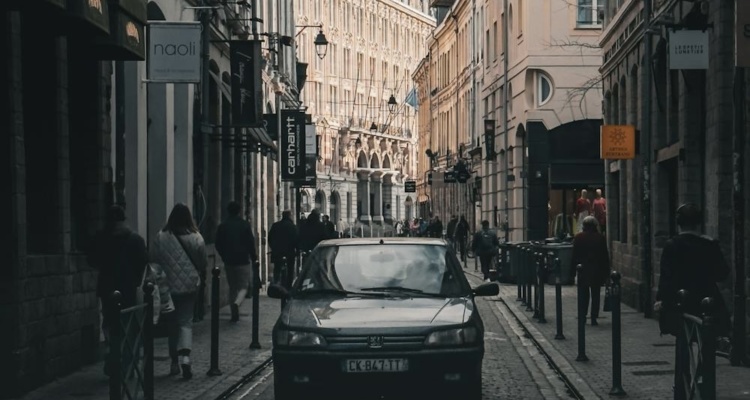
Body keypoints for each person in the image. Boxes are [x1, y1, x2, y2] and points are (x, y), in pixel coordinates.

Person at [653, 203, 730, 397]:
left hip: (683, 304)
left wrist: (661, 300)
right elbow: (722, 273)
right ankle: (702, 379)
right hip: (708, 303)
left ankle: (683, 384)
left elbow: (667, 279)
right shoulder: (708, 244)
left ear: (679, 224)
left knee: (683, 343)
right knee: (707, 342)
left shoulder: (673, 245)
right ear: (698, 224)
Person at [88, 204, 148, 376]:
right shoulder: (135, 239)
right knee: (128, 326)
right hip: (128, 288)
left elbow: (91, 259)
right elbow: (143, 260)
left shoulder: (101, 238)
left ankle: (113, 355)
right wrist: (135, 279)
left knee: (110, 323)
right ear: (124, 219)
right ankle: (127, 363)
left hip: (107, 288)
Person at [150, 203, 207, 379]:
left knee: (172, 325)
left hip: (168, 286)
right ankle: (185, 358)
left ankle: (174, 362)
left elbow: (154, 259)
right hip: (189, 286)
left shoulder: (161, 237)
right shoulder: (197, 238)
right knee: (185, 322)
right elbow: (203, 263)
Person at [215, 201, 258, 322]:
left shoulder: (223, 225)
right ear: (239, 211)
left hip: (229, 260)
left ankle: (234, 314)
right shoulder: (244, 225)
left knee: (232, 287)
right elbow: (250, 242)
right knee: (244, 286)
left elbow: (218, 243)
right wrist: (253, 257)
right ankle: (237, 303)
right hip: (243, 260)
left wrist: (224, 255)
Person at [570, 216, 610, 326]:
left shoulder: (579, 238)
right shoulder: (600, 238)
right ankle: (593, 317)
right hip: (596, 270)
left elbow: (574, 256)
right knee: (595, 295)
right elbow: (604, 257)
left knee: (583, 295)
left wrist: (572, 273)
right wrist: (607, 274)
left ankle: (582, 316)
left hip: (583, 270)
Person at [268, 210, 299, 287]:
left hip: (277, 252)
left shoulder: (275, 225)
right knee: (290, 269)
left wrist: (273, 248)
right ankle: (288, 286)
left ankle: (276, 283)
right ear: (289, 216)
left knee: (277, 268)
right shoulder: (293, 227)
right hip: (290, 252)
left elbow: (270, 238)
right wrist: (297, 250)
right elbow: (297, 240)